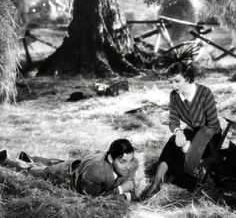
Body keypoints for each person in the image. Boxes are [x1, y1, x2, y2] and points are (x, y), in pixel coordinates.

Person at [143, 61, 222, 197]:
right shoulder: (174, 96)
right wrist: (178, 132)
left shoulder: (204, 93)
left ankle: (176, 176)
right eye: (170, 82)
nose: (173, 86)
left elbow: (213, 125)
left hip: (210, 137)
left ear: (187, 78)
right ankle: (156, 183)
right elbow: (173, 121)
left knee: (184, 151)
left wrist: (193, 143)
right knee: (174, 141)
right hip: (192, 131)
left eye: (177, 81)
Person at [0, 138, 138, 201]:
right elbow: (93, 201)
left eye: (130, 161)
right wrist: (120, 190)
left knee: (54, 161)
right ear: (110, 159)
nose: (128, 166)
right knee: (33, 172)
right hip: (64, 176)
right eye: (122, 162)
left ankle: (30, 158)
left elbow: (129, 172)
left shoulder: (132, 162)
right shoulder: (97, 173)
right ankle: (6, 160)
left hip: (78, 166)